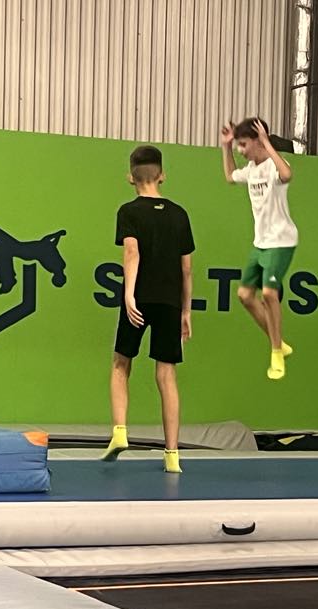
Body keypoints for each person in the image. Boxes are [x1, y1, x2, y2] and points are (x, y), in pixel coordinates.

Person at [101, 145, 194, 473]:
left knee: (120, 364)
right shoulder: (179, 215)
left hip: (139, 298)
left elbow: (131, 252)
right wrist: (186, 311)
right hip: (169, 301)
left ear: (131, 177)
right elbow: (186, 269)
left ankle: (120, 431)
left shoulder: (129, 212)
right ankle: (172, 455)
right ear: (162, 175)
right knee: (166, 374)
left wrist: (128, 294)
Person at [220, 117, 298, 379]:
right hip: (261, 243)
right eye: (239, 146)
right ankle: (279, 342)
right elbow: (230, 176)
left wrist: (267, 142)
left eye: (244, 145)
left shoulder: (274, 166)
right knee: (244, 295)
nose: (241, 151)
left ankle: (276, 353)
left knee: (268, 293)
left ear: (258, 141)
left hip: (281, 240)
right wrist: (226, 147)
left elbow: (287, 174)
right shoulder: (251, 170)